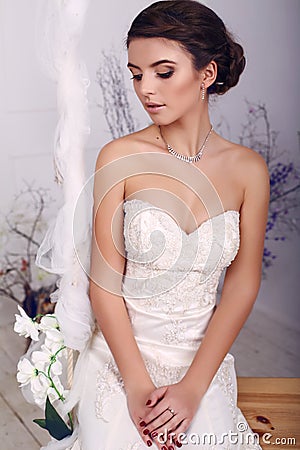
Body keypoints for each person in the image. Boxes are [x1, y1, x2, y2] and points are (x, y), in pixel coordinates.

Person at [71, 1, 269, 449]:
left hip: (201, 362)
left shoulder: (248, 170)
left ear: (206, 74)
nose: (146, 89)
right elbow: (103, 284)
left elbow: (242, 286)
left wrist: (194, 388)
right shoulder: (118, 158)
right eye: (136, 74)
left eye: (163, 72)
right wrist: (138, 387)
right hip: (123, 361)